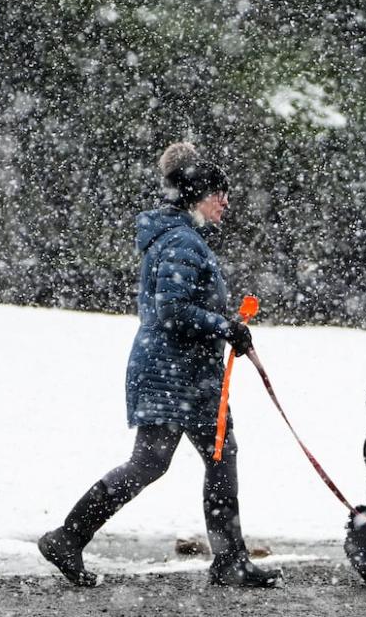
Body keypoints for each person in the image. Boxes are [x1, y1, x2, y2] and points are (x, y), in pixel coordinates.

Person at [38, 141, 280, 588]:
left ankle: (229, 560)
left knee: (219, 454)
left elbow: (182, 306)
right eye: (218, 193)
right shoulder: (181, 241)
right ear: (196, 196)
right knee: (152, 462)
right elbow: (172, 309)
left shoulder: (183, 238)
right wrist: (223, 326)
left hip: (189, 374)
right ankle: (67, 538)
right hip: (169, 372)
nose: (226, 201)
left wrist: (224, 325)